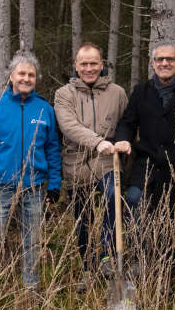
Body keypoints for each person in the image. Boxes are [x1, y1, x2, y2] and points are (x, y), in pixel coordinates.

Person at [114, 41, 175, 269]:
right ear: (153, 63)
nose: (164, 63)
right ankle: (140, 260)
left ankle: (166, 272)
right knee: (134, 202)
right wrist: (124, 138)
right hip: (145, 164)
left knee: (169, 220)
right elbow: (128, 122)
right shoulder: (141, 91)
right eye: (160, 59)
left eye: (170, 59)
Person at [0, 52, 62, 296]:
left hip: (34, 187)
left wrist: (54, 184)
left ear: (37, 78)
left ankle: (30, 288)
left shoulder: (45, 109)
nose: (26, 78)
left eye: (31, 74)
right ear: (11, 75)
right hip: (0, 186)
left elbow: (53, 149)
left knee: (32, 242)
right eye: (21, 73)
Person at [54, 42, 128, 290]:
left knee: (111, 197)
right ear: (76, 65)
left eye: (94, 63)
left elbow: (127, 123)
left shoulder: (117, 92)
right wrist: (97, 142)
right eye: (83, 64)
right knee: (82, 218)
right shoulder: (64, 94)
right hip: (76, 162)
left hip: (108, 161)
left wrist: (123, 142)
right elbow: (68, 126)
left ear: (102, 64)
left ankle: (107, 254)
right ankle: (88, 269)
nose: (89, 68)